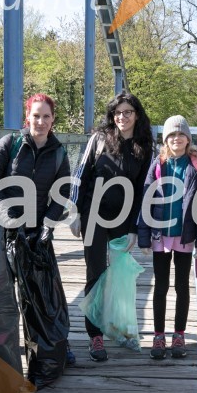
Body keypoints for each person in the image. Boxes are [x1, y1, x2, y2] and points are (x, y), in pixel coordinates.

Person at [0, 93, 74, 382]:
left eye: (46, 116)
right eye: (36, 116)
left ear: (53, 119)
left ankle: (51, 351)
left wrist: (49, 223)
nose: (41, 121)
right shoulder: (9, 144)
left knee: (40, 297)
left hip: (35, 233)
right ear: (27, 117)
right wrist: (3, 212)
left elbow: (62, 191)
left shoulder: (59, 153)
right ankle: (0, 361)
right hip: (1, 230)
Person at [70, 92, 154, 362]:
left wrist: (134, 228)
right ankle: (95, 335)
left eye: (128, 112)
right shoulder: (99, 139)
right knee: (95, 273)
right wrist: (75, 212)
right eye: (118, 112)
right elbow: (81, 174)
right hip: (93, 214)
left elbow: (141, 190)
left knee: (119, 275)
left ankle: (117, 326)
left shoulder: (145, 146)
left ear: (137, 115)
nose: (122, 117)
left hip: (123, 218)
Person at [137, 116, 197, 360]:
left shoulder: (196, 168)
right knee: (161, 286)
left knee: (181, 286)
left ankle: (179, 334)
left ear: (188, 139)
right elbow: (146, 200)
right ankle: (158, 335)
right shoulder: (158, 165)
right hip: (160, 235)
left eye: (181, 134)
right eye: (171, 135)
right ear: (165, 140)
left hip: (185, 235)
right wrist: (144, 237)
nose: (176, 138)